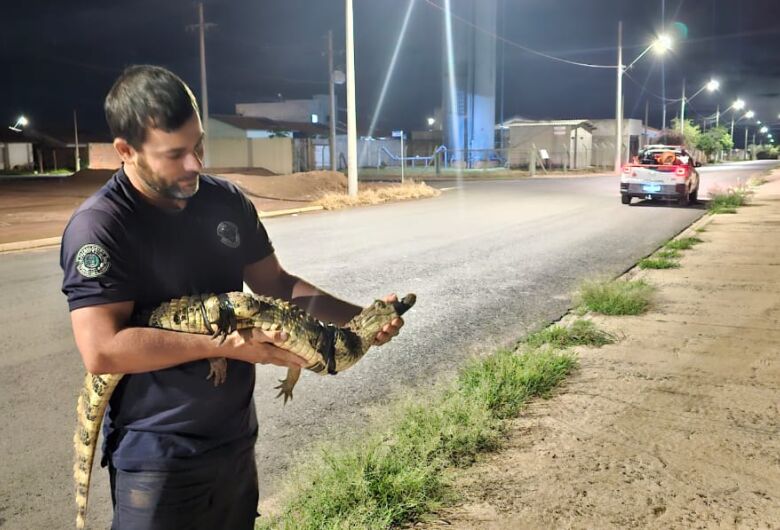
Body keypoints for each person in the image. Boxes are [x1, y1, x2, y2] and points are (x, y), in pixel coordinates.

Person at [60, 64, 404, 530]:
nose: (195, 165)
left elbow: (277, 285)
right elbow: (103, 349)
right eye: (175, 154)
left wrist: (362, 320)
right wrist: (229, 346)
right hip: (157, 454)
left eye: (198, 145)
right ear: (126, 150)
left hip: (234, 438)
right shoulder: (101, 226)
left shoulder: (226, 200)